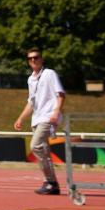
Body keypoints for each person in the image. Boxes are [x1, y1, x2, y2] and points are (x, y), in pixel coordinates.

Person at [14, 48, 65, 195]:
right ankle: (52, 185)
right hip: (36, 119)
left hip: (48, 117)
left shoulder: (49, 74)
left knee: (35, 146)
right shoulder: (31, 79)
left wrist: (56, 112)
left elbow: (61, 94)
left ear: (42, 59)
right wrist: (21, 118)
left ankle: (51, 180)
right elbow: (31, 102)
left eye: (35, 57)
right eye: (30, 58)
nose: (33, 60)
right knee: (44, 151)